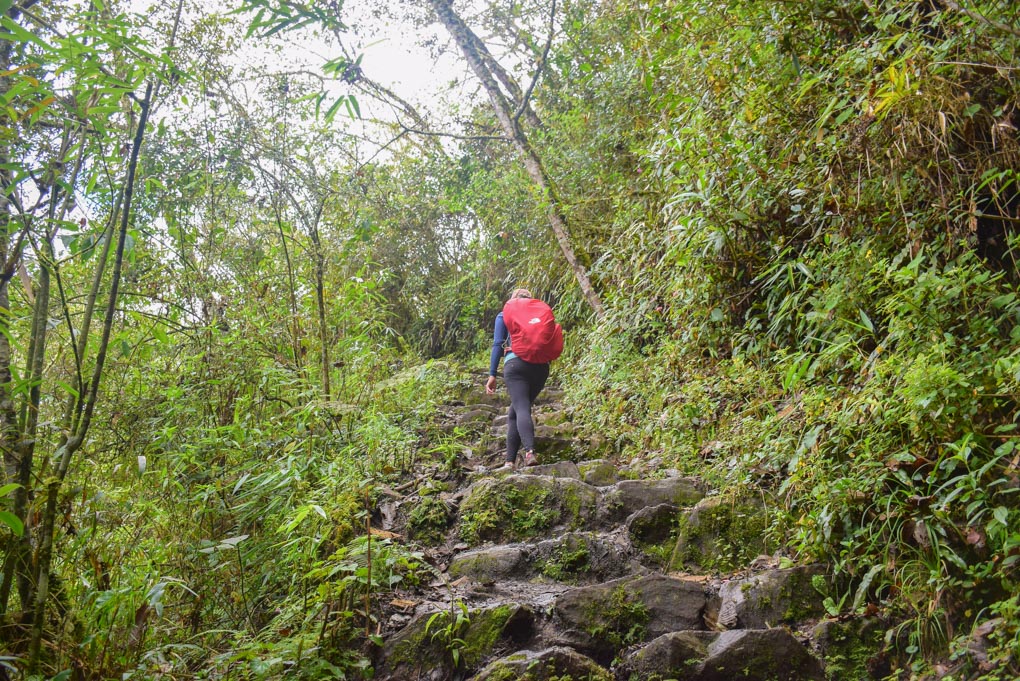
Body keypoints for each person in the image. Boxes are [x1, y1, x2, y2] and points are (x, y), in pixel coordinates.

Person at [485, 288, 549, 470]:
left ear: (512, 300)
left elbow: (498, 344)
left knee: (521, 407)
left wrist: (492, 374)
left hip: (516, 365)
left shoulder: (505, 313)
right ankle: (509, 462)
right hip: (541, 368)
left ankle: (529, 451)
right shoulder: (540, 313)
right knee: (515, 410)